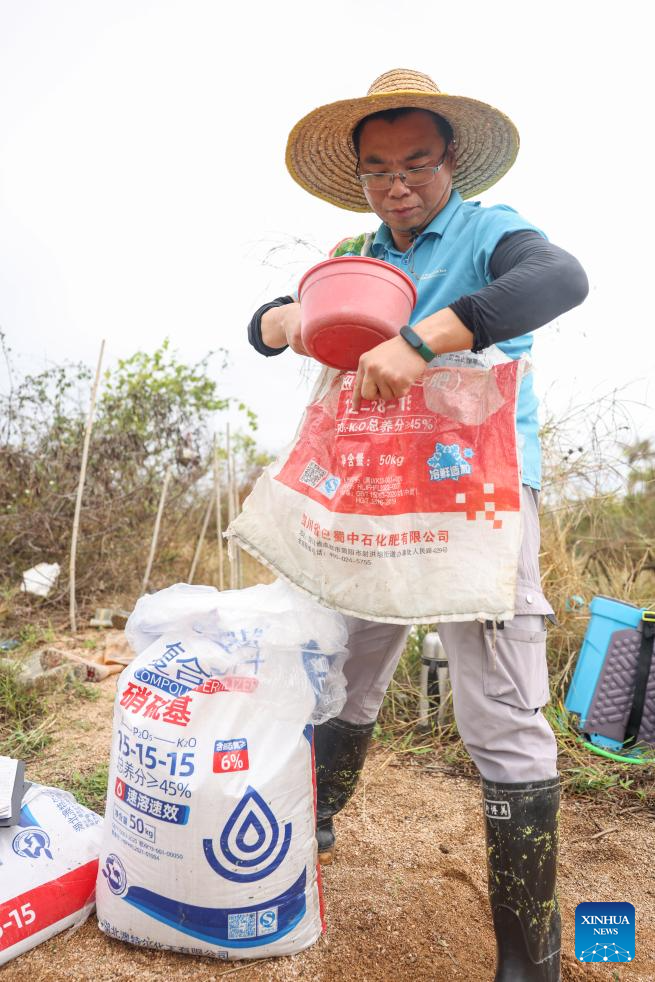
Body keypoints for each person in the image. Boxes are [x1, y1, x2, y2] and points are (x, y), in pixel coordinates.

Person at [247, 68, 588, 981]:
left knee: (499, 707)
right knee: (342, 672)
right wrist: (280, 319)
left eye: (416, 163)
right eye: (377, 167)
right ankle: (305, 839)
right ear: (358, 176)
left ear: (450, 164)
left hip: (475, 499)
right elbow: (269, 324)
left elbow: (559, 280)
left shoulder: (488, 232)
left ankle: (530, 954)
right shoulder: (357, 251)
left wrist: (422, 337)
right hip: (365, 496)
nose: (396, 183)